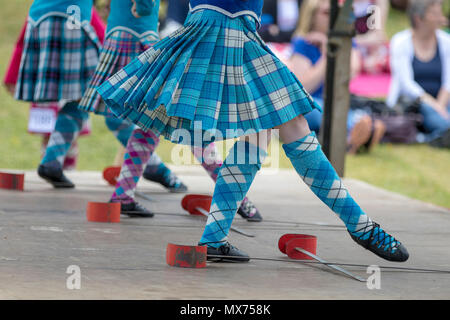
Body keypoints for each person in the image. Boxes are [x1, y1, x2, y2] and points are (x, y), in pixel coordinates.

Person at [98, 0, 409, 262]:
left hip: (223, 31)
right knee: (290, 124)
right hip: (227, 32)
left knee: (260, 129)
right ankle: (360, 225)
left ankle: (215, 238)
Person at [88, 0, 263, 221]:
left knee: (155, 120)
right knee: (193, 128)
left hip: (187, 37)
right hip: (205, 39)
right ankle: (236, 199)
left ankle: (123, 194)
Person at [78, 0, 188, 196]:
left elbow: (145, 6)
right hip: (128, 34)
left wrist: (142, 6)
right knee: (141, 117)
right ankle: (153, 170)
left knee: (148, 117)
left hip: (131, 36)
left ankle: (151, 172)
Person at [4, 8, 106, 171]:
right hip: (49, 83)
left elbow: (100, 34)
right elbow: (23, 41)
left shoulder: (75, 7)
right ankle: (50, 164)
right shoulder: (45, 7)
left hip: (68, 80)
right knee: (49, 131)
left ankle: (66, 169)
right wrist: (11, 75)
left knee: (70, 129)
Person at [289, 0, 386, 153]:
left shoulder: (345, 41)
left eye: (334, 13)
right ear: (312, 16)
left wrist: (330, 43)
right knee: (316, 112)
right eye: (326, 13)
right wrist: (328, 55)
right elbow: (303, 88)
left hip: (337, 101)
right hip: (309, 105)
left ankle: (355, 135)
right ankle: (354, 135)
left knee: (342, 111)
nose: (331, 18)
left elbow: (351, 71)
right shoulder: (304, 43)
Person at [387, 0, 450, 147]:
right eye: (434, 13)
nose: (440, 17)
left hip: (442, 103)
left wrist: (440, 105)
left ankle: (437, 133)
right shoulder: (400, 41)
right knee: (430, 113)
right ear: (418, 18)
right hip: (414, 104)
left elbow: (448, 81)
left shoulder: (446, 42)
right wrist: (434, 105)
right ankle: (441, 131)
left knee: (439, 115)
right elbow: (407, 85)